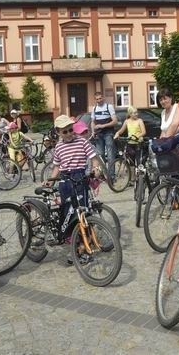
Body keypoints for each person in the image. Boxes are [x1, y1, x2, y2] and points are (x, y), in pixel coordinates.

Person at [44, 115, 102, 247]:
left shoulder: (82, 142)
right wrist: (51, 181)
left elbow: (94, 158)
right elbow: (57, 166)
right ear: (59, 132)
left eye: (71, 130)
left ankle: (85, 237)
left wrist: (96, 169)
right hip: (65, 180)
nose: (69, 133)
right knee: (67, 210)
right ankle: (71, 236)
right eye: (65, 132)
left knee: (83, 209)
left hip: (80, 178)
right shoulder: (59, 147)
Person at [90, 91, 117, 181]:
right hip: (99, 134)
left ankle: (112, 176)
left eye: (100, 98)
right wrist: (93, 131)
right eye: (97, 99)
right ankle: (103, 175)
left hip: (108, 133)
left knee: (110, 155)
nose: (99, 100)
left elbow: (114, 121)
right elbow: (93, 122)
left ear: (103, 98)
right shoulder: (94, 109)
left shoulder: (108, 107)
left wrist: (103, 126)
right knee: (100, 156)